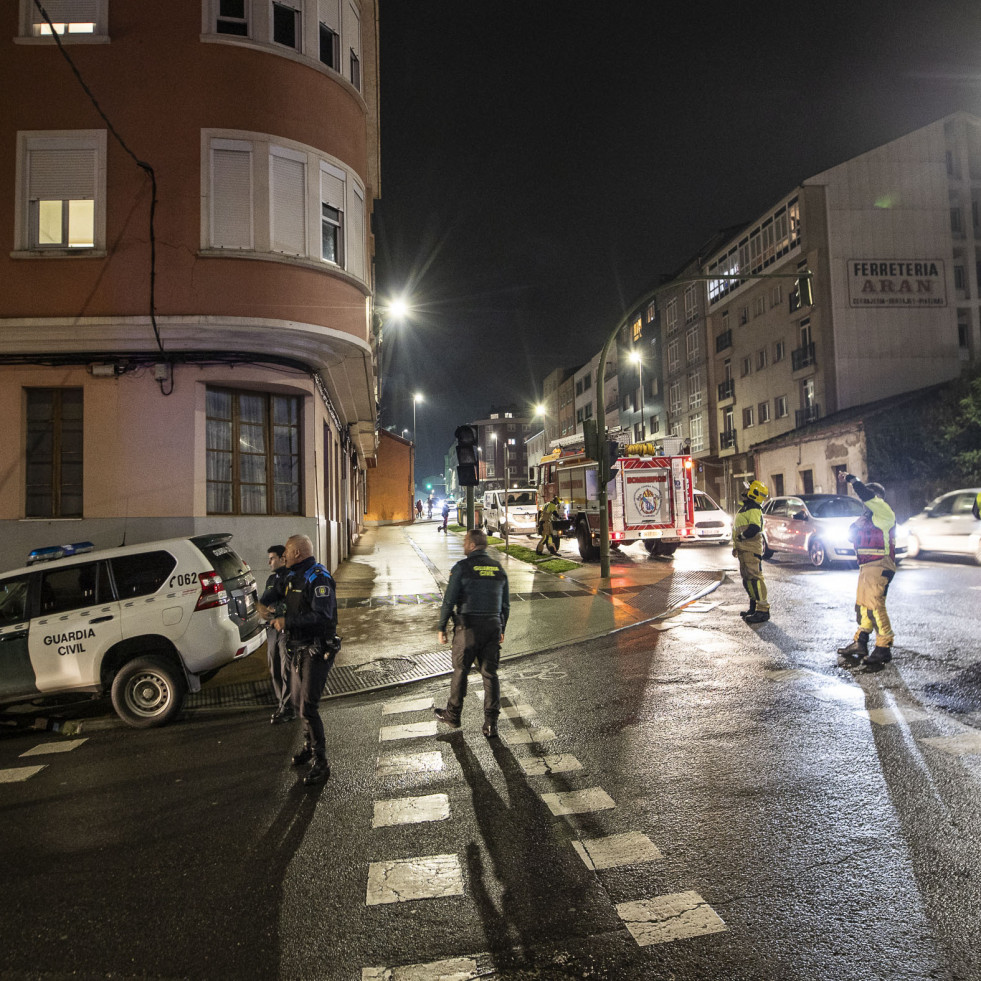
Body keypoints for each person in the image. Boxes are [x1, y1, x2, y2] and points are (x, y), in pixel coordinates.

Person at [270, 535, 339, 786]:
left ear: (298, 552)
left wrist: (287, 622)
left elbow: (322, 617)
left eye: (287, 551)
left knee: (309, 706)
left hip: (316, 650)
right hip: (298, 650)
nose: (283, 555)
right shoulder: (293, 576)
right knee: (299, 704)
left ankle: (321, 763)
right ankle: (310, 748)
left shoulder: (318, 577)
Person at [434, 529, 510, 737]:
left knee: (460, 670)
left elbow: (449, 601)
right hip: (492, 626)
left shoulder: (461, 568)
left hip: (468, 628)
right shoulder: (498, 568)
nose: (463, 545)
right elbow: (506, 605)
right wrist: (501, 629)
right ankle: (491, 723)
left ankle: (453, 715)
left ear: (472, 545)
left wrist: (441, 627)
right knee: (490, 674)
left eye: (465, 541)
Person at [836, 475, 897, 667]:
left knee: (876, 606)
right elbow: (850, 536)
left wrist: (852, 480)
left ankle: (883, 647)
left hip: (879, 564)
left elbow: (866, 494)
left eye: (868, 499)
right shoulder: (866, 517)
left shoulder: (884, 513)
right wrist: (857, 525)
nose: (865, 503)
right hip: (865, 566)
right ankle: (860, 642)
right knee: (863, 606)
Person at [259, 545, 293, 725]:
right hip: (271, 627)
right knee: (274, 666)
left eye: (272, 558)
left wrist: (277, 609)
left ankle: (288, 707)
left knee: (286, 667)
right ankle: (282, 704)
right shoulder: (271, 579)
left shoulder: (291, 577)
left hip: (285, 627)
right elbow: (265, 601)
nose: (269, 562)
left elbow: (290, 603)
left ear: (282, 558)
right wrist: (267, 610)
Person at [732, 480, 770, 623]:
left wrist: (742, 537)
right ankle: (754, 607)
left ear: (754, 493)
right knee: (748, 579)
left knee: (755, 578)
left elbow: (754, 528)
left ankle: (763, 610)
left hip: (750, 548)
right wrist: (736, 545)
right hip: (743, 549)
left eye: (749, 489)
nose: (745, 491)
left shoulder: (754, 508)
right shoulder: (748, 507)